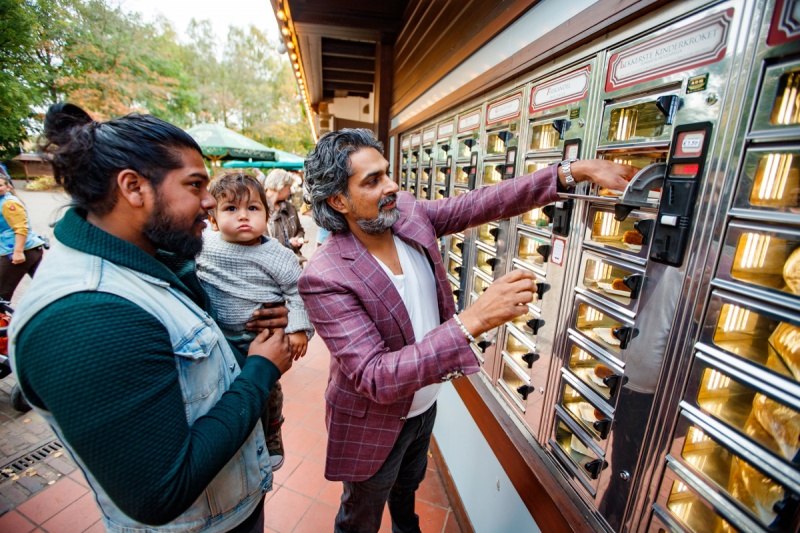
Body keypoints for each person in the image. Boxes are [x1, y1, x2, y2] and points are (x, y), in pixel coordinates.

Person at [298, 128, 636, 533]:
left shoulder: (406, 213)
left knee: (407, 493)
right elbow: (375, 376)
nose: (392, 187)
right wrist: (472, 321)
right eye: (372, 181)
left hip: (423, 410)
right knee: (360, 517)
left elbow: (481, 202)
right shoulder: (325, 274)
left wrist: (573, 171)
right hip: (373, 425)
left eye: (387, 173)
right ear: (338, 200)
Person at [9, 103, 293, 532]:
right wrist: (260, 370)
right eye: (195, 185)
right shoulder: (84, 317)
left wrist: (253, 321)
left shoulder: (155, 258)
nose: (209, 201)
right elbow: (159, 491)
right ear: (133, 187)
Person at [196, 171, 314, 472]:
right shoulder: (203, 247)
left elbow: (296, 292)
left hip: (258, 340)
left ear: (267, 212)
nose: (243, 217)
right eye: (231, 209)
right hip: (219, 338)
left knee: (268, 389)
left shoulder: (278, 255)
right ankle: (241, 438)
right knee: (230, 393)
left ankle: (273, 431)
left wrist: (298, 329)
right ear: (212, 217)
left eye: (252, 208)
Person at [0, 175, 45, 301]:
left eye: (0, 185)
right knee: (47, 288)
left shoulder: (9, 203)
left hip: (18, 252)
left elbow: (21, 228)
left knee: (1, 295)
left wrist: (18, 252)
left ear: (8, 187)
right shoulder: (3, 201)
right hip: (29, 249)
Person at [261, 169, 307, 265]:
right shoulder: (258, 209)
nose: (290, 191)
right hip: (271, 266)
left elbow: (300, 229)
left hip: (293, 264)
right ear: (281, 187)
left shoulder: (290, 208)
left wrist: (297, 238)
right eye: (289, 187)